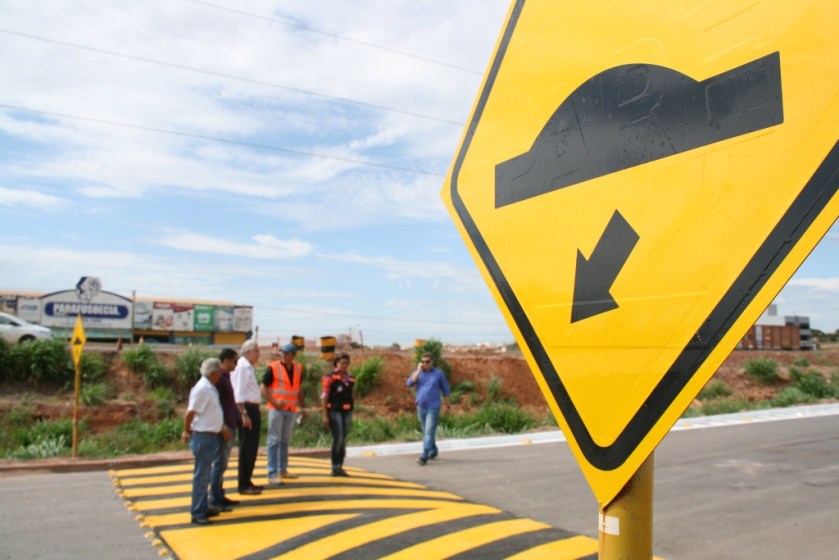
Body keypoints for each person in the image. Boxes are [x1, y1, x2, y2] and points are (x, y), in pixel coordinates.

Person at [181, 358, 232, 525]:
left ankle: (203, 506)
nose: (220, 375)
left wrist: (221, 427)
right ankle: (197, 512)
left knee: (205, 474)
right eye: (218, 372)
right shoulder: (202, 388)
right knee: (202, 476)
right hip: (203, 436)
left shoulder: (209, 387)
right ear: (213, 373)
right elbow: (190, 413)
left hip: (210, 435)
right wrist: (187, 431)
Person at [261, 342, 306, 484]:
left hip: (291, 409)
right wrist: (274, 402)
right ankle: (272, 473)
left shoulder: (298, 368)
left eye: (287, 353)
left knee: (284, 440)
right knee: (274, 440)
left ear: (293, 355)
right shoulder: (273, 367)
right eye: (283, 353)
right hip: (276, 409)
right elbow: (263, 387)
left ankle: (282, 470)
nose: (284, 355)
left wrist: (303, 408)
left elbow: (298, 389)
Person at [406, 352, 451, 466]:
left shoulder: (438, 374)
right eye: (423, 361)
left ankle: (424, 456)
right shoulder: (418, 373)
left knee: (429, 432)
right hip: (421, 406)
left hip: (433, 407)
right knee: (426, 431)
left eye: (427, 362)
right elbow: (409, 383)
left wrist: (448, 406)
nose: (425, 364)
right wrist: (418, 370)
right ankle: (433, 450)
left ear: (432, 362)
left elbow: (445, 390)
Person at [209, 348, 240, 510]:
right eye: (235, 361)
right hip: (224, 427)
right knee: (219, 463)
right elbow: (217, 405)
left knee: (223, 463)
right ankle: (215, 499)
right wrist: (222, 426)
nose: (236, 364)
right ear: (226, 361)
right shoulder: (219, 378)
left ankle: (220, 494)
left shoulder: (226, 377)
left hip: (229, 424)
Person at [231, 339, 263, 495]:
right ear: (248, 352)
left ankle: (247, 480)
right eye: (256, 351)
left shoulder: (248, 367)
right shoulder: (243, 367)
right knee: (247, 447)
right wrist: (244, 414)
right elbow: (239, 392)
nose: (258, 354)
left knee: (252, 447)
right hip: (247, 409)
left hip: (252, 408)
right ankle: (243, 484)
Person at [321, 352, 355, 477]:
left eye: (346, 363)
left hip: (347, 411)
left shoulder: (350, 378)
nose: (344, 365)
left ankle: (340, 465)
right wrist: (325, 415)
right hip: (334, 411)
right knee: (338, 438)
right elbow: (324, 397)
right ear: (337, 363)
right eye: (342, 363)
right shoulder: (330, 377)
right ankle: (335, 467)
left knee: (343, 439)